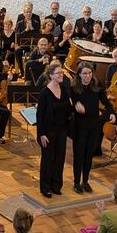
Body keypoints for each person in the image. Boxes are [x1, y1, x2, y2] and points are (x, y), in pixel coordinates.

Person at [71, 62, 115, 193]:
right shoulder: (74, 88)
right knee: (79, 155)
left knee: (89, 154)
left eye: (90, 73)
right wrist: (75, 106)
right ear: (79, 74)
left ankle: (85, 181)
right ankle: (76, 182)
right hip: (79, 126)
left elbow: (107, 104)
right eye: (84, 73)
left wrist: (111, 113)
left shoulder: (97, 87)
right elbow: (69, 105)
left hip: (93, 126)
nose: (88, 76)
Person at [37, 63, 71, 198]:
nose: (61, 75)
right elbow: (39, 116)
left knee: (59, 158)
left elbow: (67, 109)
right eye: (58, 73)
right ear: (51, 76)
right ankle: (45, 187)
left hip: (61, 130)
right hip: (48, 131)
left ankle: (56, 185)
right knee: (47, 159)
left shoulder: (64, 89)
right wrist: (41, 134)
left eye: (61, 72)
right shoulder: (44, 93)